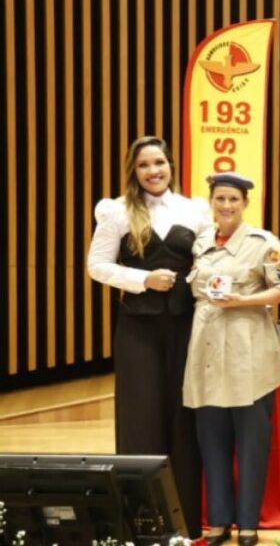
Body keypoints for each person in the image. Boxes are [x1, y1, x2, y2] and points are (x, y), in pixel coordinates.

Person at [86, 135, 209, 538]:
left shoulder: (195, 210)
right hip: (137, 330)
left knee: (183, 422)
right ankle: (140, 524)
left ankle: (187, 524)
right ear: (133, 171)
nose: (154, 171)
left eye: (159, 162)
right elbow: (97, 266)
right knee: (140, 422)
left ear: (171, 164)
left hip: (185, 327)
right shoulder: (116, 211)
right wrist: (142, 279)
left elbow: (209, 261)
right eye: (144, 165)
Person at [184, 173, 280, 546]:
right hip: (207, 348)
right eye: (220, 199)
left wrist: (240, 301)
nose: (226, 206)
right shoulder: (199, 243)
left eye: (233, 200)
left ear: (245, 204)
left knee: (251, 443)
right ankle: (218, 521)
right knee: (211, 440)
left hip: (250, 348)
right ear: (211, 202)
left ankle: (247, 523)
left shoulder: (264, 243)